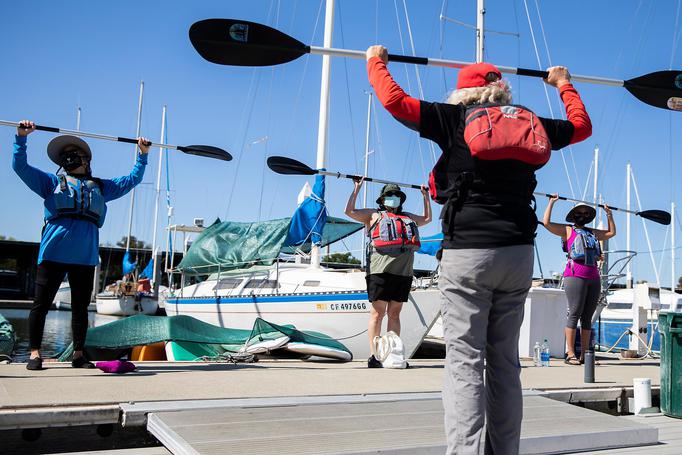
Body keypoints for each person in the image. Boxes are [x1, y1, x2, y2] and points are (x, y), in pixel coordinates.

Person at [365, 45, 591, 454]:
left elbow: (393, 100)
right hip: (518, 254)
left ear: (462, 92)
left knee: (465, 363)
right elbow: (581, 126)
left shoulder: (451, 118)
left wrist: (375, 61)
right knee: (504, 363)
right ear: (501, 91)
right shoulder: (532, 122)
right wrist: (564, 84)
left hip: (468, 253)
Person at [12, 120, 150, 370]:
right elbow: (20, 167)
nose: (68, 160)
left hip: (84, 258)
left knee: (80, 309)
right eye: (65, 157)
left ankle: (78, 354)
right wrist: (21, 138)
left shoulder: (101, 187)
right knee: (41, 305)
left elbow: (131, 180)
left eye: (73, 156)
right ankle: (34, 353)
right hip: (53, 254)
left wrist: (142, 156)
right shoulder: (49, 184)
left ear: (86, 160)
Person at [345, 178, 431, 368]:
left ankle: (393, 354)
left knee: (395, 314)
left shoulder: (407, 216)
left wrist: (426, 197)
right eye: (389, 195)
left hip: (403, 272)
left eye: (396, 195)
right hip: (380, 271)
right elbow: (349, 211)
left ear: (401, 199)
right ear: (382, 199)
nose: (393, 198)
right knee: (377, 314)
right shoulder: (373, 215)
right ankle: (375, 356)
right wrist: (356, 188)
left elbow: (427, 219)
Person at [542, 196, 615, 365]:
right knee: (574, 313)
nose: (582, 215)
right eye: (579, 212)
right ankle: (570, 352)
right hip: (575, 275)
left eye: (585, 213)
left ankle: (585, 353)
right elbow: (546, 223)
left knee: (587, 317)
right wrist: (552, 202)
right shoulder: (568, 230)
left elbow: (611, 233)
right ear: (574, 215)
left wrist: (609, 215)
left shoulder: (593, 233)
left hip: (593, 277)